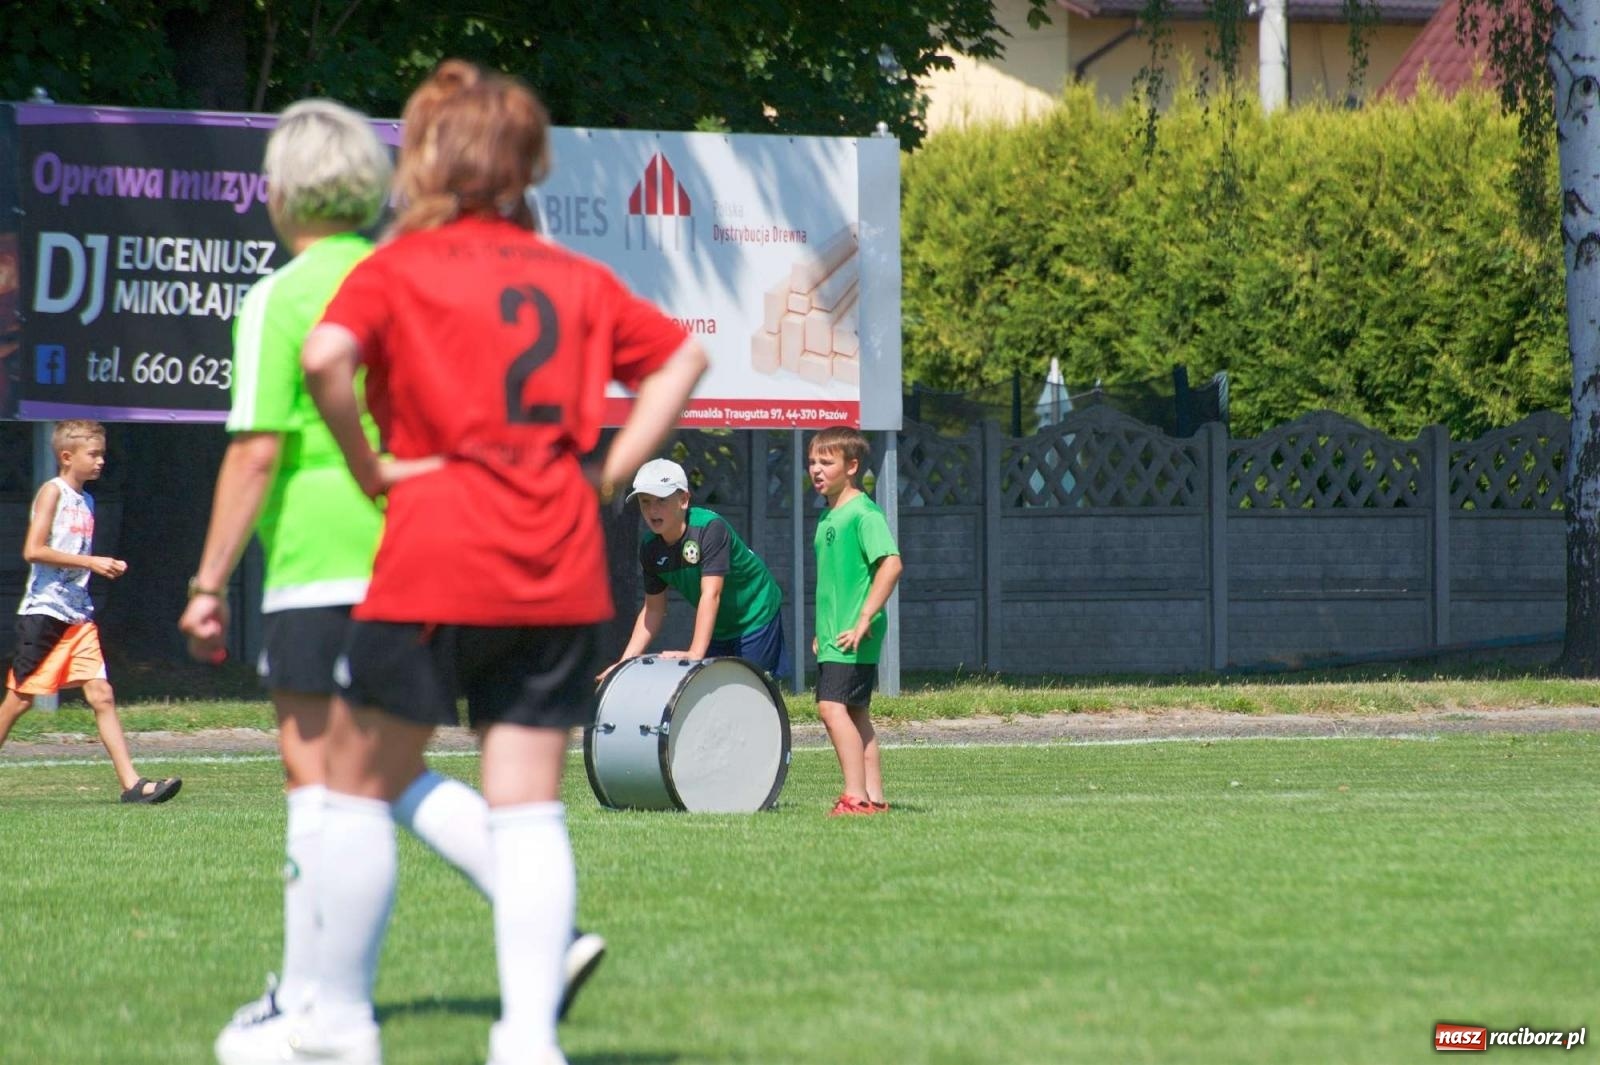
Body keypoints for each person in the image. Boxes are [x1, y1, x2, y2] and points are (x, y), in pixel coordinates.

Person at [224, 61, 706, 1065]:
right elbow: (680, 359)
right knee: (526, 804)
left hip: (436, 547)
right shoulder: (574, 277)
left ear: (431, 161)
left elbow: (324, 361)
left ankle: (340, 1028)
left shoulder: (398, 268)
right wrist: (608, 471)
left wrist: (373, 468)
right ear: (528, 166)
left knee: (357, 784)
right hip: (559, 558)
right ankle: (527, 1041)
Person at [174, 101, 608, 1064]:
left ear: (278, 193)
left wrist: (208, 580)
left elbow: (255, 455)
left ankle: (321, 1009)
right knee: (384, 775)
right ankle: (525, 921)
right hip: (430, 552)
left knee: (322, 787)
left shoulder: (283, 297)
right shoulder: (407, 276)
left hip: (324, 560)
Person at [0, 420, 180, 804]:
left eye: (102, 454)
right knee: (19, 700)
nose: (101, 461)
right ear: (67, 457)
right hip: (45, 612)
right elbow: (34, 551)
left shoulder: (88, 501)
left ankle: (132, 785)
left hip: (78, 615)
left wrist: (93, 566)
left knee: (102, 694)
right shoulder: (53, 493)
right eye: (93, 454)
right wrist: (94, 563)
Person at [602, 458, 789, 681]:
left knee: (752, 689)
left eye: (661, 500)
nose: (652, 510)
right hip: (719, 625)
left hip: (755, 614)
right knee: (713, 696)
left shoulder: (710, 528)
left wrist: (695, 653)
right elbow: (653, 609)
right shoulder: (650, 547)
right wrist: (625, 663)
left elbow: (712, 594)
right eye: (645, 501)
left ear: (683, 499)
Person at [808, 426, 902, 817]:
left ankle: (854, 797)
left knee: (831, 709)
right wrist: (821, 630)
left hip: (853, 633)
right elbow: (838, 581)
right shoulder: (830, 515)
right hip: (836, 632)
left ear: (852, 466)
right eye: (812, 462)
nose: (816, 469)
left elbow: (891, 564)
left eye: (826, 462)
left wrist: (865, 617)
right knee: (856, 711)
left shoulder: (863, 513)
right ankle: (874, 798)